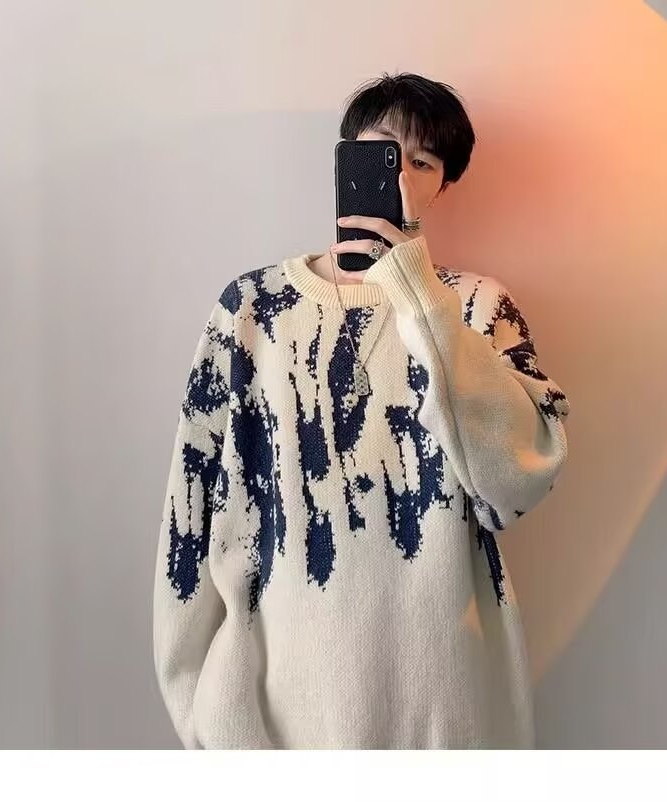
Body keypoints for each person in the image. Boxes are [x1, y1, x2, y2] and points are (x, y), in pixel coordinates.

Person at [152, 71, 570, 749]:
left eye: (422, 162)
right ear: (344, 160)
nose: (400, 175)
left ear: (443, 186)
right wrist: (196, 704)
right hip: (278, 704)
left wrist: (418, 291)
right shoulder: (253, 310)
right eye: (382, 154)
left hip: (444, 699)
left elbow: (516, 485)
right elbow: (191, 509)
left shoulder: (474, 307)